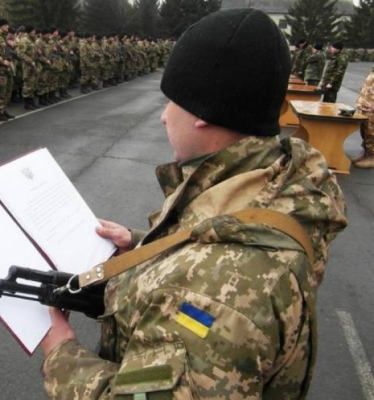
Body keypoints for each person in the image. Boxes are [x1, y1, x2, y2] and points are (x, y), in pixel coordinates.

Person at [40, 9, 347, 399]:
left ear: (202, 112)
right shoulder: (276, 179)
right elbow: (227, 236)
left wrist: (61, 354)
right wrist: (143, 246)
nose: (164, 117)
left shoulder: (209, 294)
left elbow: (220, 276)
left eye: (171, 102)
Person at [354, 67, 374, 168]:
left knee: (371, 133)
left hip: (372, 109)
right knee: (365, 130)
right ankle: (366, 153)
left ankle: (372, 157)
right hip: (366, 107)